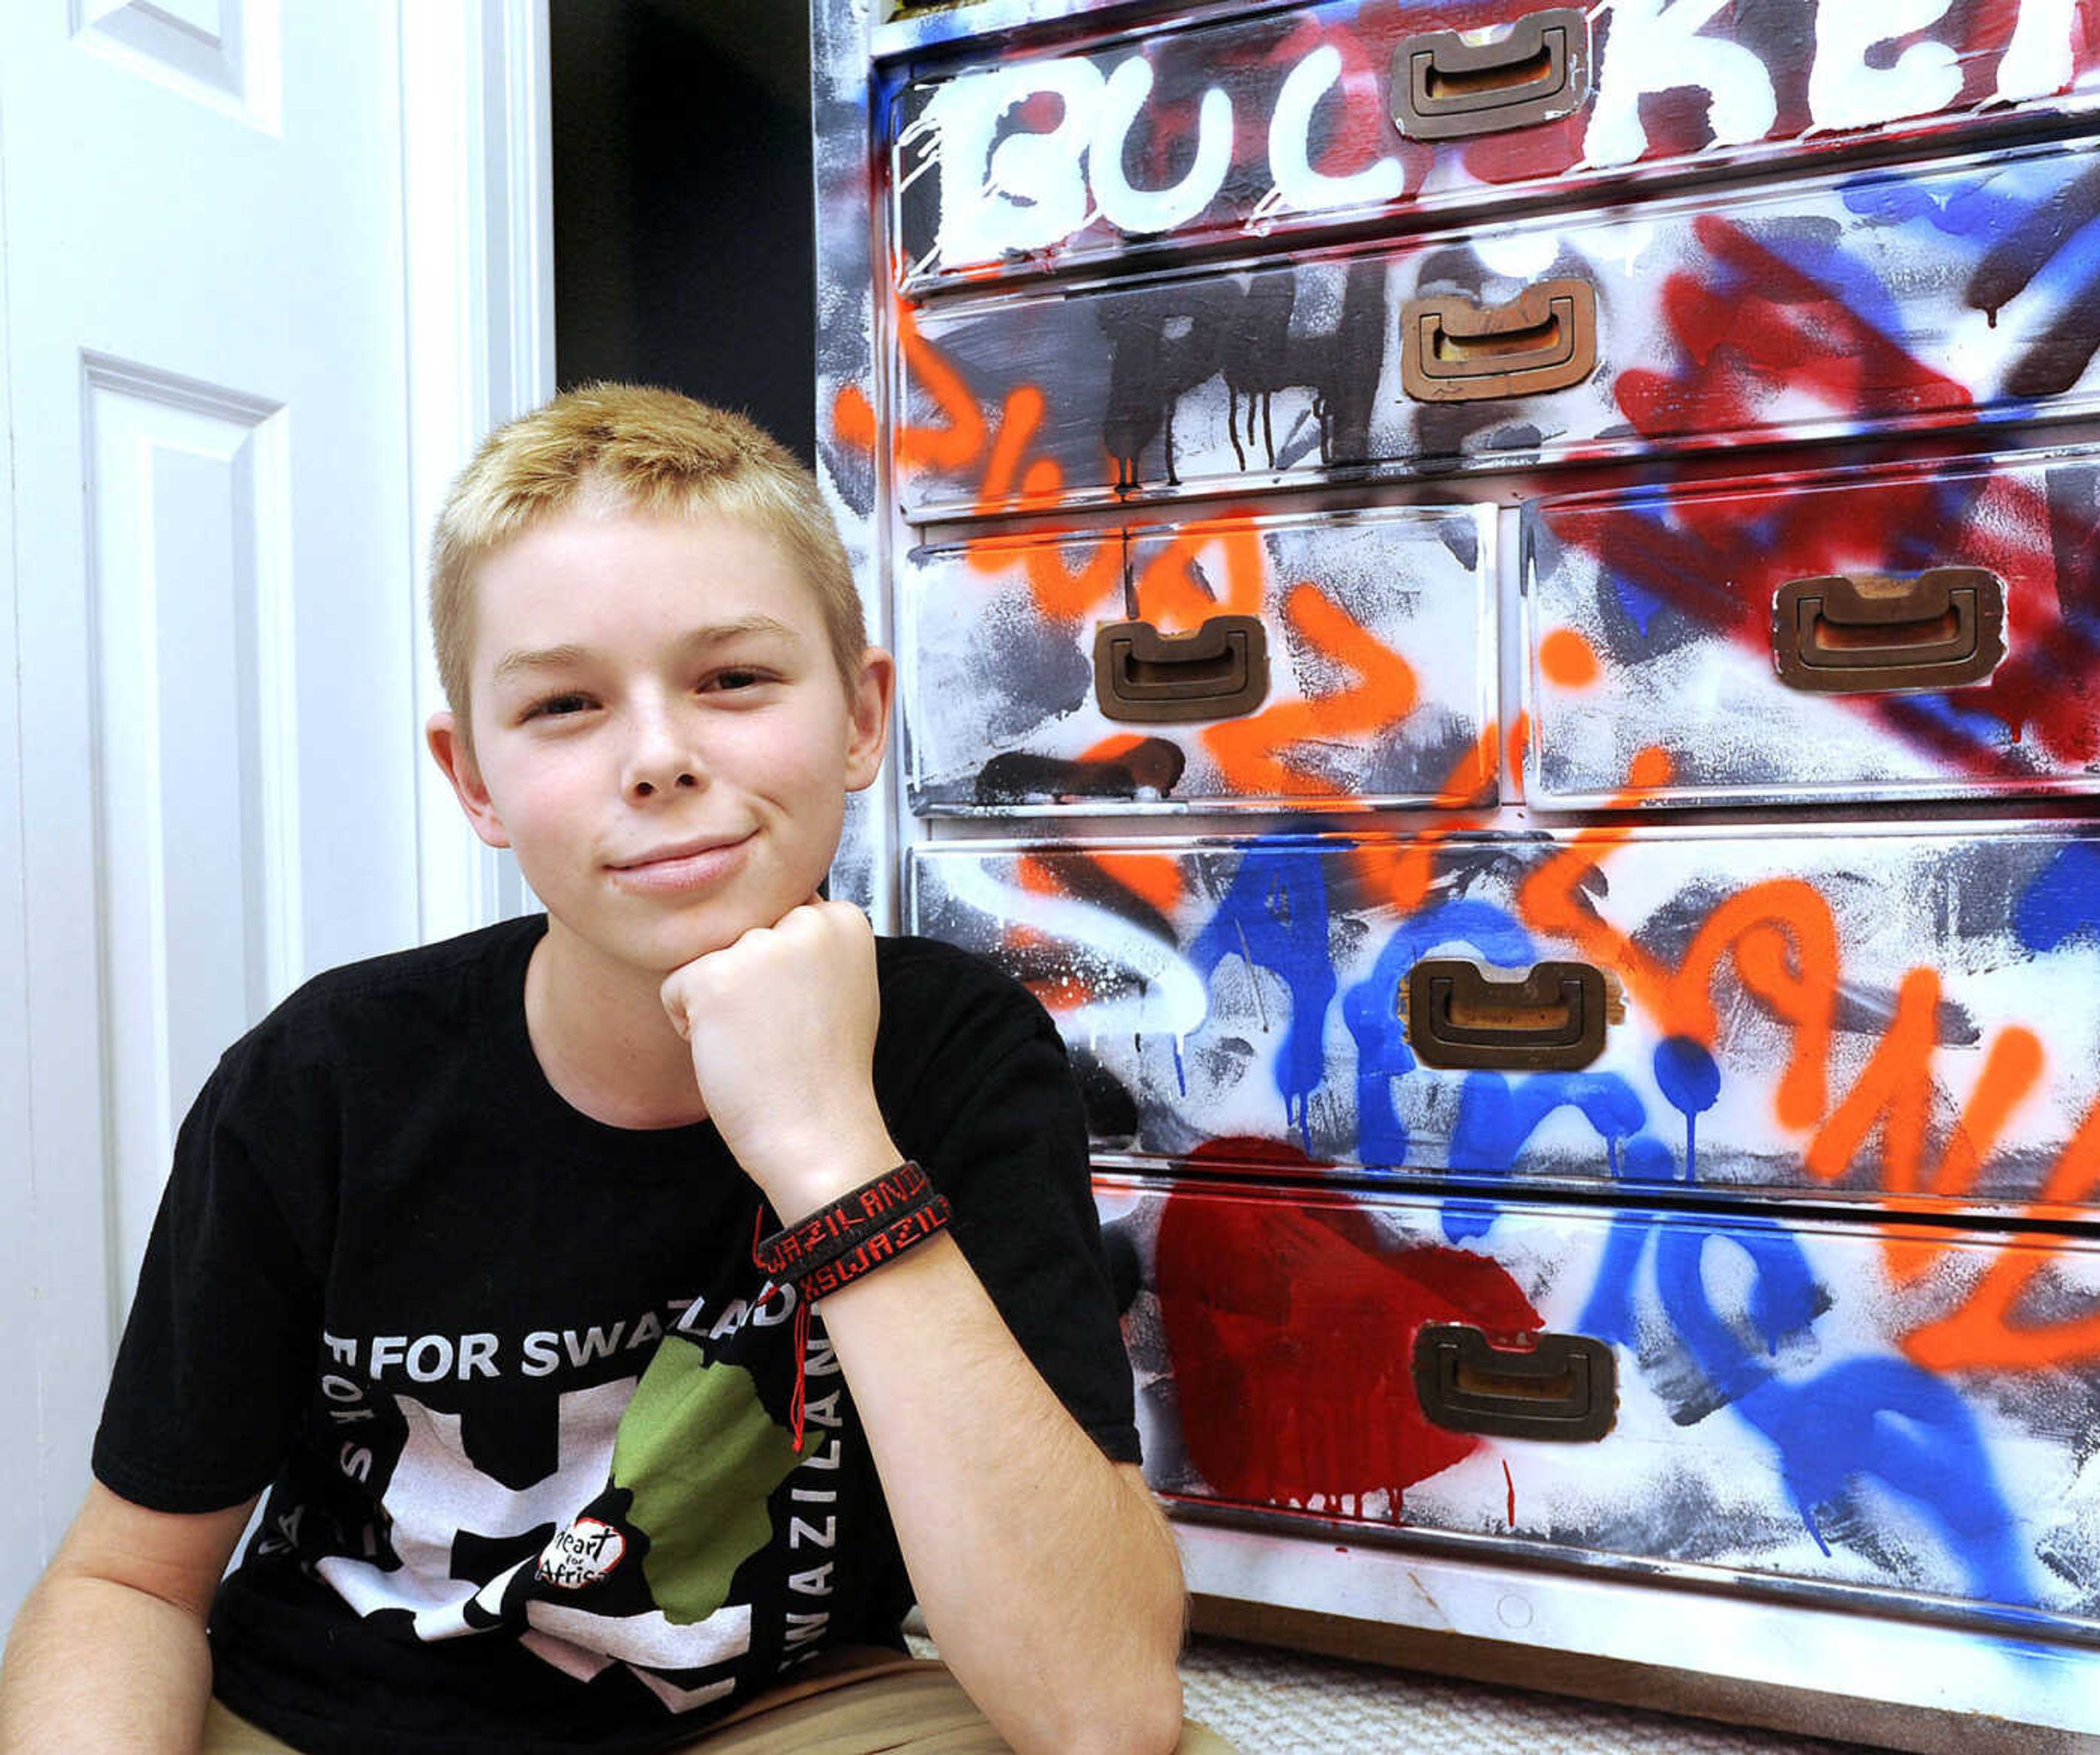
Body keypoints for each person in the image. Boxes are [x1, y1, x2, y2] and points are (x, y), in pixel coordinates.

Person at [0, 385, 1201, 1753]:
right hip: (335, 1720)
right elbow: (122, 1581)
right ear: (476, 781)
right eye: (565, 705)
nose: (660, 758)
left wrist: (832, 1153)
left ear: (863, 717)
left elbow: (1101, 1707)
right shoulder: (322, 1081)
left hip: (781, 1720)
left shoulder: (956, 1052)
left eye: (733, 678)